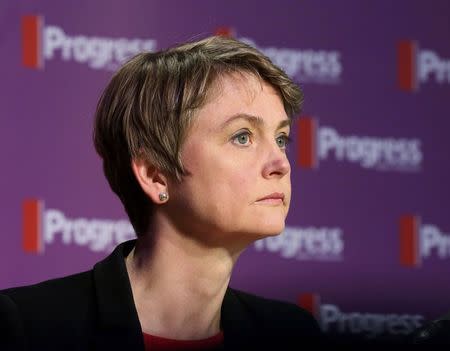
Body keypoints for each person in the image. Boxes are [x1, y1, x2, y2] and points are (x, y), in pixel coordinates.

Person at [0, 35, 323, 350]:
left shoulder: (291, 333)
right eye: (242, 136)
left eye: (281, 139)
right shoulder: (28, 327)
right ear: (156, 176)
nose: (280, 163)